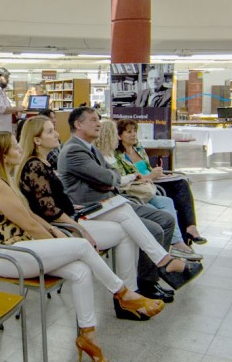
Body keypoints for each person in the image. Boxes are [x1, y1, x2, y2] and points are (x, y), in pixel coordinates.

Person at [0, 132, 164, 362]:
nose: (20, 150)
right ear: (2, 154)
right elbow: (30, 225)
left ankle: (88, 336)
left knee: (81, 270)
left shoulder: (4, 181)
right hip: (5, 254)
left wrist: (56, 234)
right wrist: (61, 243)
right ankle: (122, 293)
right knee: (81, 246)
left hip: (20, 248)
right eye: (14, 148)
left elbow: (31, 217)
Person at [58, 107, 201, 301]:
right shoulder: (74, 150)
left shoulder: (91, 148)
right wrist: (111, 177)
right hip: (94, 207)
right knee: (155, 229)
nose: (98, 123)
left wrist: (111, 177)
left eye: (98, 119)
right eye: (93, 120)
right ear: (78, 124)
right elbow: (108, 177)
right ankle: (149, 280)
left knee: (166, 219)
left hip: (113, 201)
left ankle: (153, 275)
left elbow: (112, 175)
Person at [105, 118, 204, 261]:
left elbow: (147, 168)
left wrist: (156, 174)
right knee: (176, 193)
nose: (133, 135)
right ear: (119, 135)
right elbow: (125, 178)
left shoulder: (138, 148)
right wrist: (150, 176)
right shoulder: (117, 155)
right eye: (129, 132)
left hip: (152, 183)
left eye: (134, 131)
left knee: (181, 184)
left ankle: (184, 234)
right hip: (140, 187)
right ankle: (184, 234)